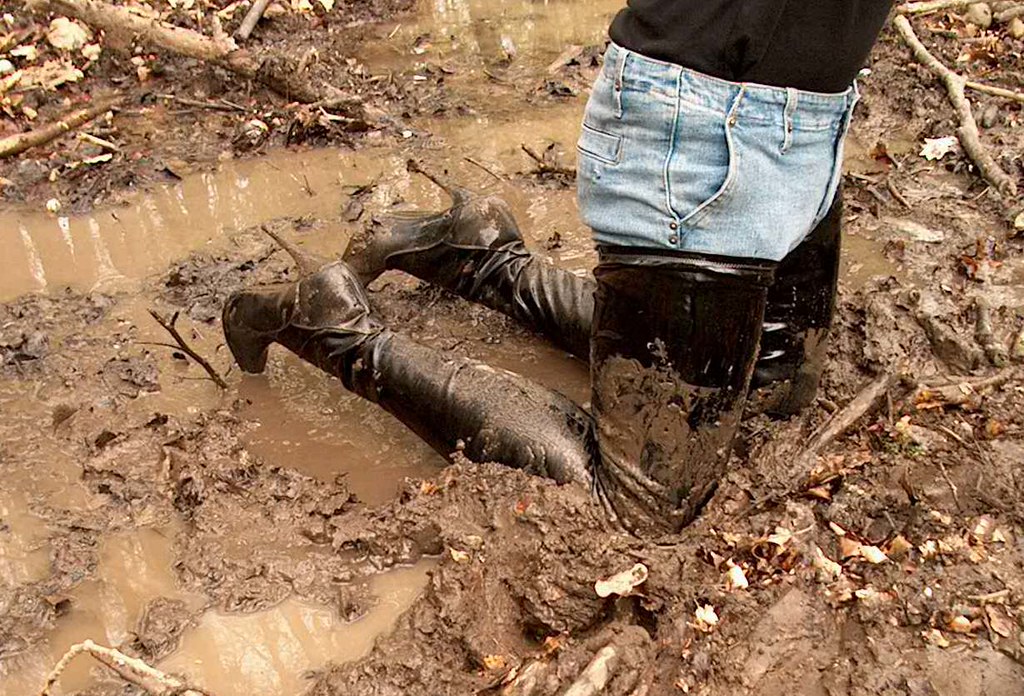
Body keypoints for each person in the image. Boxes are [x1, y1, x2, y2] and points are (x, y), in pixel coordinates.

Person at [222, 2, 893, 537]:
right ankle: (333, 326)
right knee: (645, 505)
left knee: (772, 396)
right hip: (710, 121)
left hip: (811, 115)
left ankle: (481, 257)